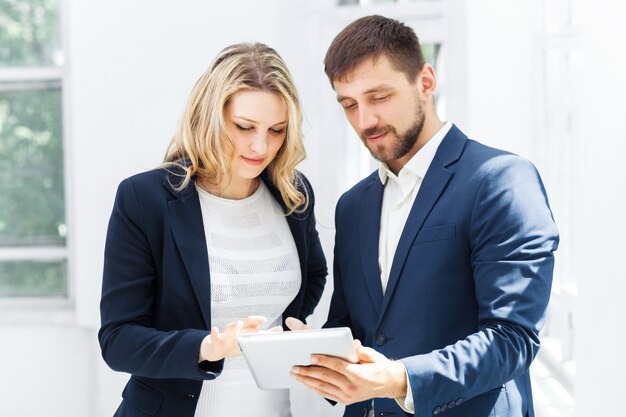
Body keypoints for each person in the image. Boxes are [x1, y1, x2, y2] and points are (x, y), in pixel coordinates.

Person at [288, 15, 559, 417]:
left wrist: (401, 379)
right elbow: (356, 330)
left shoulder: (501, 180)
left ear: (426, 82)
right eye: (349, 104)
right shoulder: (353, 205)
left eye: (379, 97)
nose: (364, 120)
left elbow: (512, 338)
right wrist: (309, 352)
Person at [99, 42, 328, 417]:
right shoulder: (145, 199)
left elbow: (313, 273)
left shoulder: (294, 193)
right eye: (244, 127)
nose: (260, 146)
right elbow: (118, 340)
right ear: (210, 116)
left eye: (277, 130)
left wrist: (281, 335)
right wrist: (209, 348)